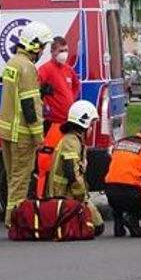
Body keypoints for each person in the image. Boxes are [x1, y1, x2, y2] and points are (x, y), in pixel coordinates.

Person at [0, 20, 53, 226]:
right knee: (20, 181)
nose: (43, 52)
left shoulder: (12, 64)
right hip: (22, 135)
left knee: (13, 179)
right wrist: (39, 137)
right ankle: (15, 222)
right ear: (35, 45)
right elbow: (29, 106)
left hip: (6, 131)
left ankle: (11, 219)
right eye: (43, 47)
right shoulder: (28, 68)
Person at [46, 99, 105, 234]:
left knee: (96, 226)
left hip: (68, 193)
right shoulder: (71, 142)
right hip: (64, 195)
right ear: (84, 122)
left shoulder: (74, 140)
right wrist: (81, 197)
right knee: (97, 227)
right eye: (91, 124)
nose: (91, 128)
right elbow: (71, 172)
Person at [103, 119, 141, 237]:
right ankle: (133, 218)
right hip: (132, 194)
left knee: (119, 188)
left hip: (110, 192)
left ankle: (118, 224)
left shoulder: (118, 143)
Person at [38, 35, 81, 129]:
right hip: (53, 122)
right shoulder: (45, 69)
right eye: (61, 51)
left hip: (68, 120)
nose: (64, 54)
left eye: (66, 50)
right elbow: (35, 87)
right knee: (53, 144)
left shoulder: (68, 69)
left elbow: (76, 85)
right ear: (52, 51)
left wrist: (71, 99)